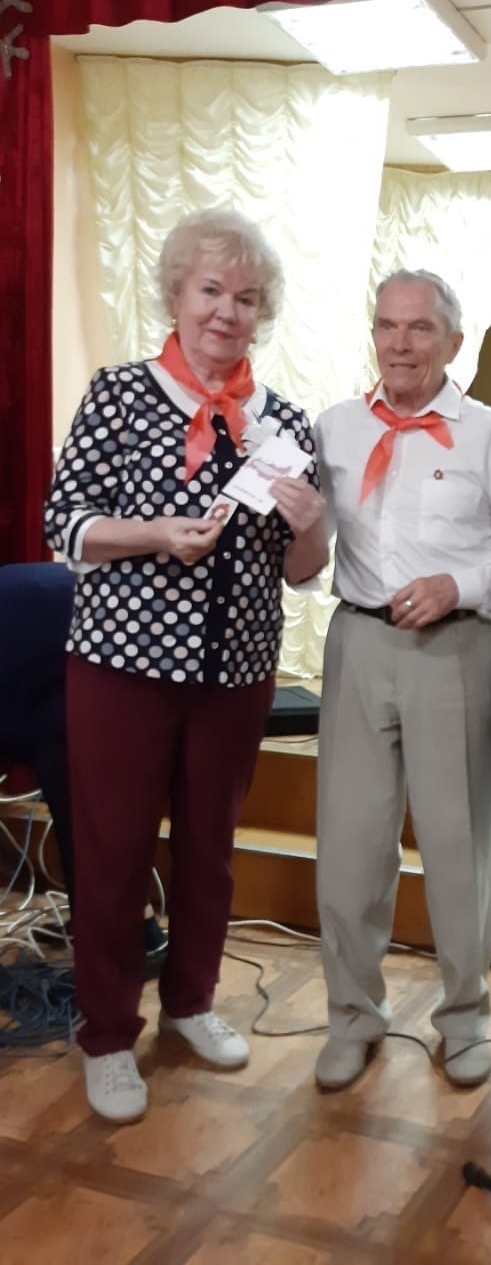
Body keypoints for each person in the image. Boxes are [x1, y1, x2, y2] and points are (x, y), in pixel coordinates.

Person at [44, 208, 327, 1124]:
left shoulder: (283, 422)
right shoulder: (121, 395)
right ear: (176, 294)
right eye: (210, 290)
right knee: (114, 852)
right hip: (121, 668)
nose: (226, 312)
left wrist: (313, 524)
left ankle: (192, 1003)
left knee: (212, 848)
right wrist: (156, 535)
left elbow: (302, 570)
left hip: (236, 675)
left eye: (246, 298)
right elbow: (64, 526)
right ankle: (106, 1035)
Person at [313, 269, 491, 1090]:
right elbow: (307, 551)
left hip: (457, 649)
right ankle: (352, 1018)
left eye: (420, 328)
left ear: (455, 342)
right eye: (386, 326)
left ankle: (464, 1021)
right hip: (358, 643)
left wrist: (458, 585)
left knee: (457, 849)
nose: (400, 344)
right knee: (349, 848)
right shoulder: (334, 429)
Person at [0, 562, 167, 971]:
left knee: (84, 805)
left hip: (88, 647)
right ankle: (109, 927)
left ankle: (136, 938)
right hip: (51, 649)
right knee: (78, 795)